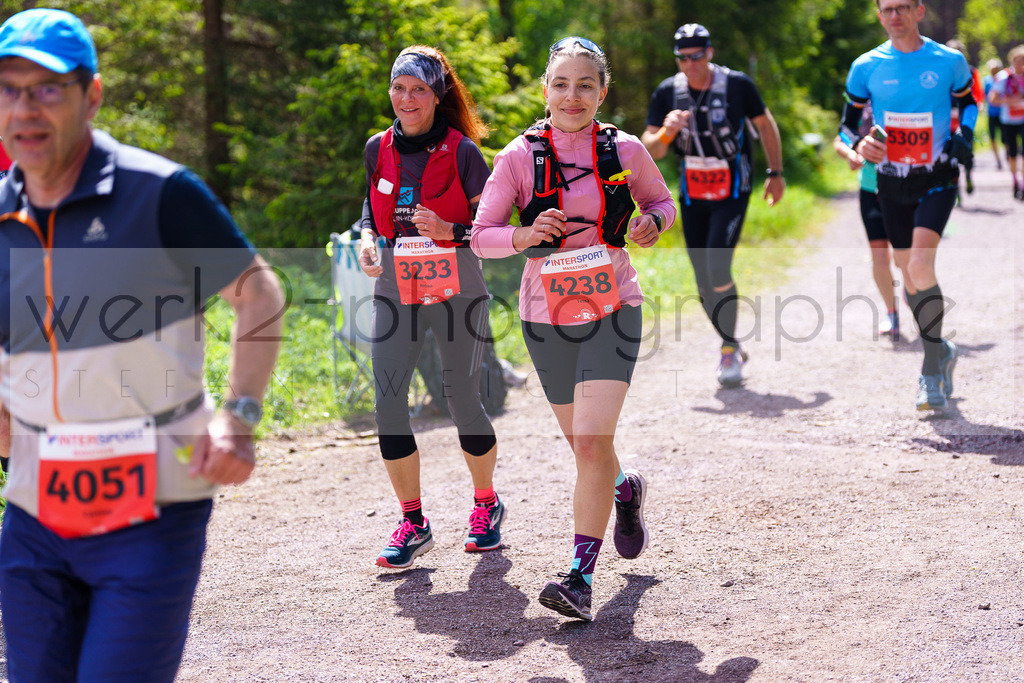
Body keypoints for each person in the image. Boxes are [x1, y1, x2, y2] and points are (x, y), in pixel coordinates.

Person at [0, 8, 284, 682]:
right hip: (37, 510)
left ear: (91, 95)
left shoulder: (158, 193)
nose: (25, 108)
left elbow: (260, 292)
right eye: (10, 89)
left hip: (153, 506)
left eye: (48, 89)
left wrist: (238, 415)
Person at [472, 37, 676, 621]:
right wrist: (524, 235)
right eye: (561, 84)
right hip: (546, 318)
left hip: (614, 308)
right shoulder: (516, 156)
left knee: (589, 440)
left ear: (602, 92)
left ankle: (580, 578)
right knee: (587, 445)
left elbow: (663, 203)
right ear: (545, 91)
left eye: (586, 84)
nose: (573, 95)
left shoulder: (627, 149)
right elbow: (480, 235)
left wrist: (650, 223)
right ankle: (624, 492)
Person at [359, 45, 505, 569]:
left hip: (457, 288)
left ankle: (486, 505)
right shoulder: (378, 147)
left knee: (460, 395)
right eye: (398, 87)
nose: (406, 98)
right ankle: (412, 520)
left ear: (437, 95)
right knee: (388, 399)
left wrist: (451, 231)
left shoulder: (464, 152)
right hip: (397, 288)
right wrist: (368, 241)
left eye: (418, 88)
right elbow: (370, 214)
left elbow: (491, 231)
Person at [840, 0, 976, 412]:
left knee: (919, 266)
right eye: (887, 9)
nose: (894, 16)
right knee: (908, 274)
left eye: (902, 7)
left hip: (936, 177)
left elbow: (968, 103)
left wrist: (964, 135)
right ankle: (942, 349)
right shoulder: (866, 66)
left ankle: (931, 368)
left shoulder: (949, 61)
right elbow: (848, 124)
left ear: (919, 10)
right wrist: (860, 144)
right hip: (890, 182)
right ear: (879, 15)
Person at [641, 23, 785, 388]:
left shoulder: (737, 85)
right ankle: (732, 342)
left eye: (697, 56)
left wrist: (776, 172)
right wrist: (667, 132)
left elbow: (766, 126)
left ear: (710, 52)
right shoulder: (667, 93)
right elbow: (651, 150)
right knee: (703, 279)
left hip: (733, 191)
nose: (690, 64)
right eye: (683, 58)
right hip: (692, 195)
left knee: (718, 267)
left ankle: (726, 350)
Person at [833, 101, 900, 340]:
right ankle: (892, 313)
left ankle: (920, 309)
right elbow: (840, 138)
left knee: (905, 260)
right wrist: (852, 153)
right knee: (880, 256)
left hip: (904, 190)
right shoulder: (861, 104)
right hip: (870, 190)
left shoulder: (906, 97)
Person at [945, 39, 984, 196]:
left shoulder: (971, 71)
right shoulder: (941, 72)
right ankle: (955, 188)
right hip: (947, 118)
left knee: (966, 149)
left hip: (964, 117)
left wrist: (975, 107)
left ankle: (967, 175)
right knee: (949, 152)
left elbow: (977, 93)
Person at [988, 45, 1024, 200]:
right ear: (1012, 61)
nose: (1020, 65)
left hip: (1023, 120)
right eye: (1018, 61)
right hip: (1008, 120)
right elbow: (993, 99)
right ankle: (1015, 181)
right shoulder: (1004, 77)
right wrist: (1009, 101)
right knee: (1013, 153)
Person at [983, 58, 1005, 171]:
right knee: (992, 137)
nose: (994, 72)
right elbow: (984, 96)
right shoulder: (987, 81)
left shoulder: (1004, 79)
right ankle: (997, 160)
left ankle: (1007, 154)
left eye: (996, 69)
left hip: (1003, 113)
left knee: (1004, 138)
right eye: (992, 70)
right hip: (991, 113)